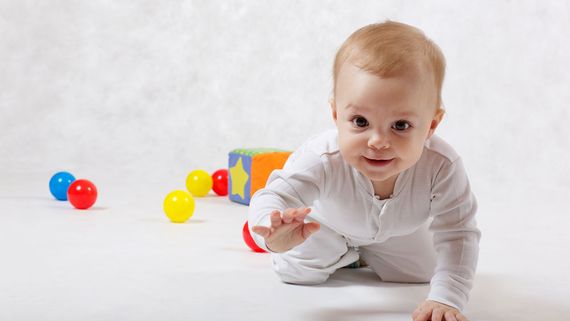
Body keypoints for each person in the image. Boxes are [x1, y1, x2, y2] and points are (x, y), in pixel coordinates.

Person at [248, 20, 480, 321]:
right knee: (298, 273)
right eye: (360, 121)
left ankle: (365, 254)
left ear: (431, 126)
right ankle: (340, 253)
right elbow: (275, 194)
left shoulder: (442, 166)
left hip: (398, 232)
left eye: (400, 125)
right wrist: (271, 231)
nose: (378, 141)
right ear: (336, 114)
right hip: (324, 227)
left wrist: (447, 298)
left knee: (423, 271)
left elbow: (459, 233)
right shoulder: (322, 157)